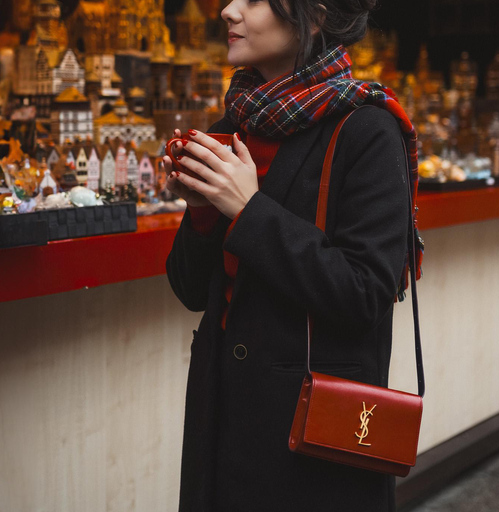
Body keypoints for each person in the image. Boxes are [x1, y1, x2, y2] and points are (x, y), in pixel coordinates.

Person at [164, 0, 419, 510]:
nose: (228, 11)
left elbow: (364, 293)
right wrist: (203, 212)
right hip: (223, 420)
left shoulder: (366, 130)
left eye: (253, 0)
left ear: (316, 14)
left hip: (313, 438)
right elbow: (192, 291)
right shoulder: (232, 127)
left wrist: (248, 209)